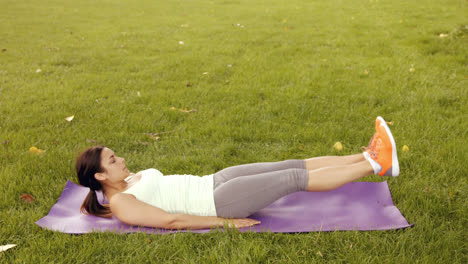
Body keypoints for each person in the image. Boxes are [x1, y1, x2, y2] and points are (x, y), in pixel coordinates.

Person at [76, 116, 399, 230]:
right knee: (293, 179)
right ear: (101, 176)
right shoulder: (122, 203)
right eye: (113, 160)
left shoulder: (128, 180)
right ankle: (377, 165)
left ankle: (366, 155)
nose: (121, 160)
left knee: (290, 165)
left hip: (213, 181)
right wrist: (224, 222)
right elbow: (171, 221)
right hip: (217, 202)